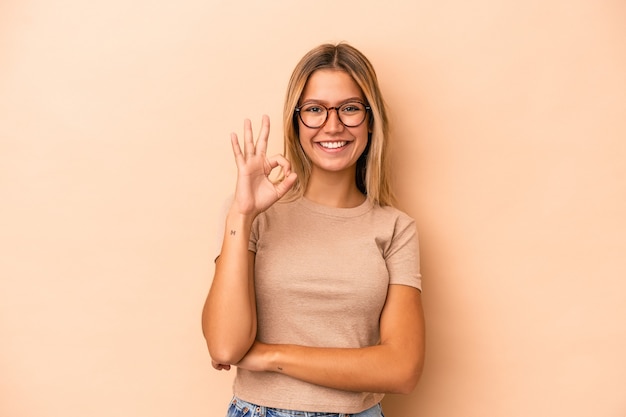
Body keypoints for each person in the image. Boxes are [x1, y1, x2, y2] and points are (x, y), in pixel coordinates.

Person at [202, 42, 425, 417]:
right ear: (295, 120)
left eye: (350, 108)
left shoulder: (396, 229)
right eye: (315, 110)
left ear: (371, 121)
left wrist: (271, 355)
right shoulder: (252, 214)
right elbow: (224, 347)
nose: (332, 125)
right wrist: (241, 214)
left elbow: (402, 369)